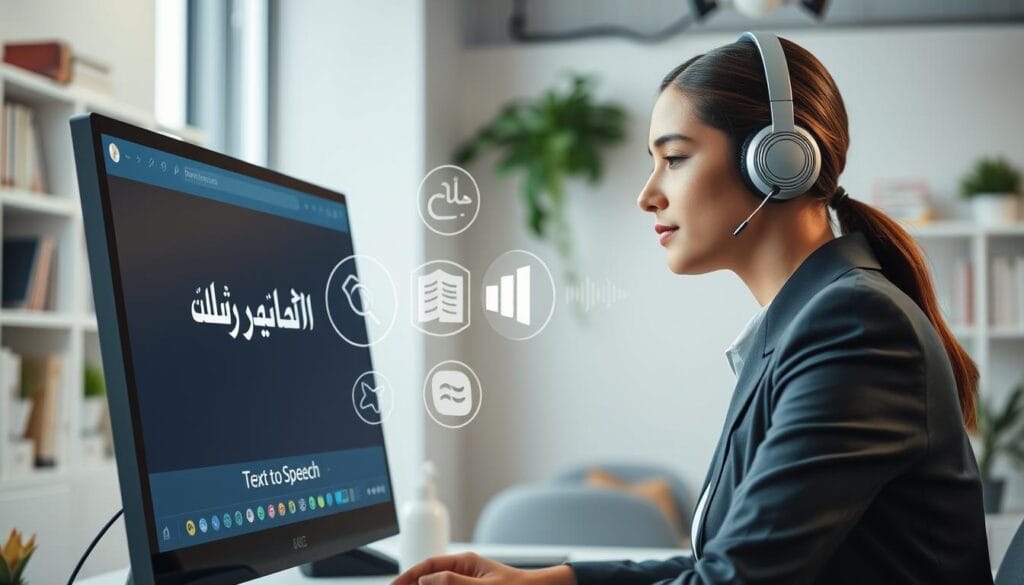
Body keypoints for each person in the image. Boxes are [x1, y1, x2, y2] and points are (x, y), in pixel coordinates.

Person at [392, 33, 993, 585]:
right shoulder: (811, 322)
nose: (647, 194)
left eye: (674, 158)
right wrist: (544, 581)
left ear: (777, 161)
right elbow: (724, 563)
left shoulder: (854, 329)